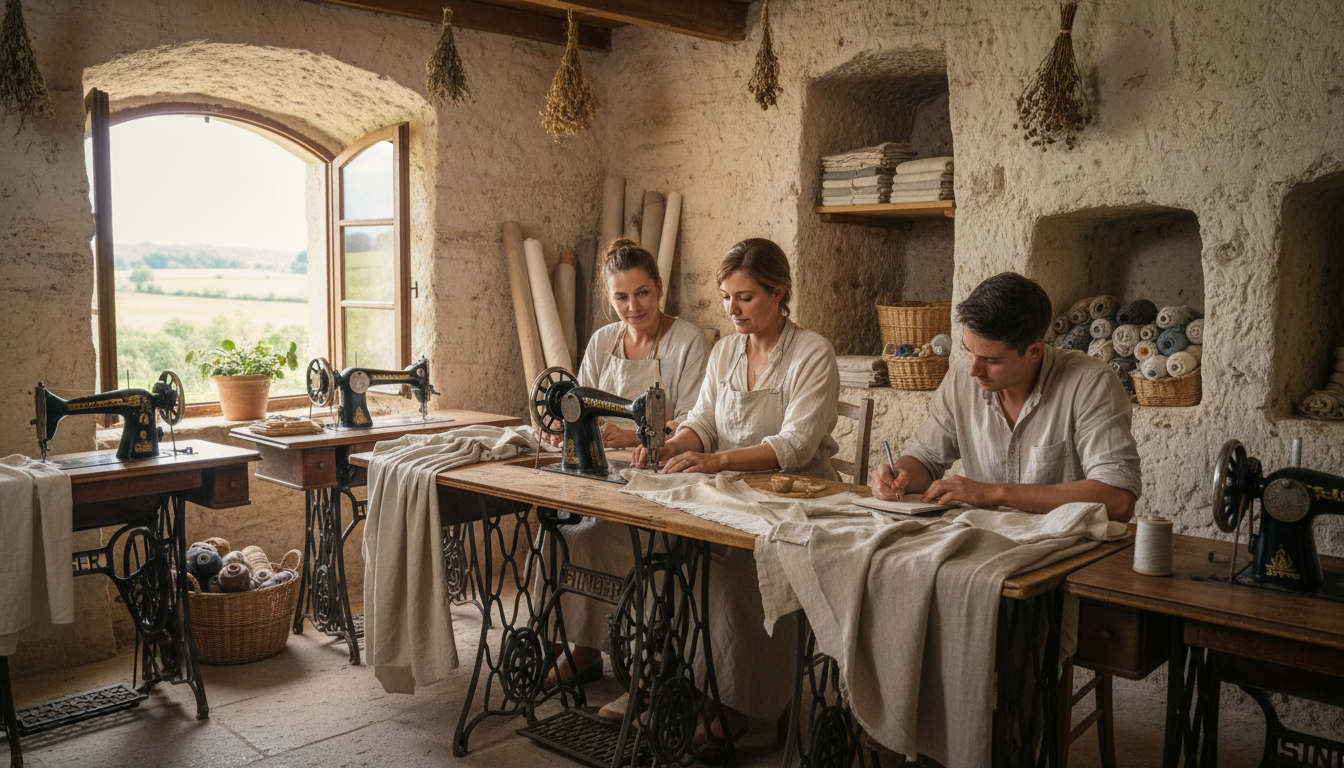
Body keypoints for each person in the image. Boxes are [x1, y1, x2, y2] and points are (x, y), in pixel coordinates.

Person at [633, 237, 841, 751]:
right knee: (672, 554)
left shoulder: (812, 352)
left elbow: (794, 443)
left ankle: (737, 700)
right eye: (726, 297)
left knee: (730, 571)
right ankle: (682, 682)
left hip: (799, 500)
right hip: (730, 494)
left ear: (779, 292)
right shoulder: (726, 349)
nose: (732, 309)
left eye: (745, 297)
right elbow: (703, 422)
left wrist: (717, 459)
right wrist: (668, 446)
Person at [545, 238, 711, 701]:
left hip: (666, 470)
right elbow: (580, 405)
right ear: (610, 298)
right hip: (608, 472)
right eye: (621, 297)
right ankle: (583, 646)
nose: (632, 306)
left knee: (615, 537)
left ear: (659, 288)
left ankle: (641, 665)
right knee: (556, 529)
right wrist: (566, 428)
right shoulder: (603, 340)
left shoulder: (688, 342)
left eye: (642, 293)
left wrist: (638, 436)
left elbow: (700, 418)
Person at [870, 272, 1140, 522]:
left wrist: (995, 494)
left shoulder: (1091, 383)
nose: (973, 370)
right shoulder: (961, 378)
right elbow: (925, 458)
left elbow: (1117, 500)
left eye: (990, 359)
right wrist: (899, 475)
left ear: (1034, 351)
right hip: (984, 537)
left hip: (1065, 545)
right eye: (969, 352)